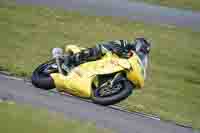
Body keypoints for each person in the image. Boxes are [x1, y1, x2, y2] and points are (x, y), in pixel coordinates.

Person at [62, 38, 151, 73]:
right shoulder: (125, 44)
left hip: (109, 65)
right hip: (104, 55)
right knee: (100, 49)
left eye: (143, 53)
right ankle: (69, 60)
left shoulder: (133, 58)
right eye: (141, 50)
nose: (141, 53)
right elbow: (113, 44)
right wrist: (118, 50)